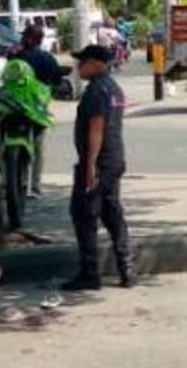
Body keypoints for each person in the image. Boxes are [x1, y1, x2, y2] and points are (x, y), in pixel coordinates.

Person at [64, 44, 133, 292]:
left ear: (95, 63)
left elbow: (97, 129)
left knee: (84, 213)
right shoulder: (114, 88)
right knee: (112, 212)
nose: (78, 67)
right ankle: (127, 269)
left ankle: (89, 273)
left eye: (82, 62)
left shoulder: (96, 90)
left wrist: (90, 166)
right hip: (114, 159)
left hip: (99, 162)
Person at [11, 25, 60, 196]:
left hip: (13, 107)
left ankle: (16, 181)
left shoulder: (15, 57)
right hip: (38, 110)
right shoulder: (47, 58)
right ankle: (35, 186)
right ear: (40, 40)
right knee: (38, 147)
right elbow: (58, 80)